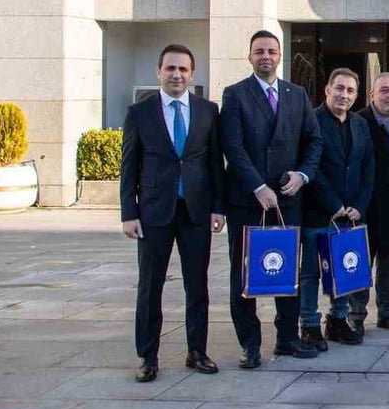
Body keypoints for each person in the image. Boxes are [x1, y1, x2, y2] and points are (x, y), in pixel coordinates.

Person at [121, 44, 224, 383]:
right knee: (150, 287)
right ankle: (148, 356)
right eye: (170, 68)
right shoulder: (140, 113)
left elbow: (214, 166)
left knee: (198, 285)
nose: (176, 75)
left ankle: (197, 351)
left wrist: (217, 208)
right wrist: (129, 213)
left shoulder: (208, 111)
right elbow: (129, 166)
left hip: (195, 211)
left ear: (192, 74)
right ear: (158, 72)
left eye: (183, 69)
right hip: (154, 213)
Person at [220, 29, 323, 366]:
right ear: (250, 57)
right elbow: (232, 148)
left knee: (286, 270)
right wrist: (257, 187)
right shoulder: (234, 95)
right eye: (259, 51)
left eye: (271, 51)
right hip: (248, 202)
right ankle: (250, 344)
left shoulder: (296, 95)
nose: (266, 56)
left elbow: (313, 141)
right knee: (245, 272)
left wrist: (302, 175)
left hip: (288, 199)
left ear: (280, 56)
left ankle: (288, 338)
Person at [299, 68, 373, 351]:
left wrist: (359, 205)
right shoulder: (312, 121)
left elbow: (368, 167)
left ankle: (337, 320)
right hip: (319, 211)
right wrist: (334, 204)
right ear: (327, 90)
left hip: (350, 215)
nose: (344, 95)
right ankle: (308, 323)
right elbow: (311, 167)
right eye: (339, 88)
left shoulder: (360, 124)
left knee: (344, 268)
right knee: (311, 273)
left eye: (350, 90)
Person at [349, 72, 389, 334]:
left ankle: (388, 313)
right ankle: (356, 315)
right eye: (384, 90)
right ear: (372, 94)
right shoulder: (358, 122)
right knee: (360, 264)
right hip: (364, 207)